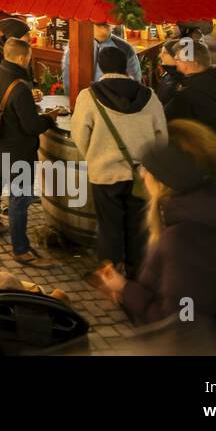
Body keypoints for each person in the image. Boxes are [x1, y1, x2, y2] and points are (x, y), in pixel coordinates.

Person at [93, 119, 216, 355]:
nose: (142, 175)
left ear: (163, 181)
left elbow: (181, 323)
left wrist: (125, 288)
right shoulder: (205, 214)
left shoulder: (185, 240)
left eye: (147, 169)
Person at [70, 47, 167, 276]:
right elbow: (162, 136)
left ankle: (111, 273)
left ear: (101, 66)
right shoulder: (149, 95)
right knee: (139, 226)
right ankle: (137, 271)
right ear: (125, 65)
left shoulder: (89, 96)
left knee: (109, 226)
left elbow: (79, 134)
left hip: (105, 173)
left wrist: (94, 156)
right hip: (141, 174)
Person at [0, 36, 62, 266]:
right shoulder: (20, 87)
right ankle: (20, 249)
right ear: (20, 57)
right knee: (19, 199)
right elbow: (31, 126)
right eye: (28, 57)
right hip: (19, 151)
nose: (29, 61)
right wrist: (49, 117)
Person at [163, 38, 216, 169]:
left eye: (177, 58)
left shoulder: (189, 93)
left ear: (192, 63)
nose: (175, 62)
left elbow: (165, 118)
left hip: (204, 157)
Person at [62, 21, 142, 85]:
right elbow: (68, 82)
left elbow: (135, 82)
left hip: (114, 102)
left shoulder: (125, 48)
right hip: (83, 101)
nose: (104, 20)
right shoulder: (75, 46)